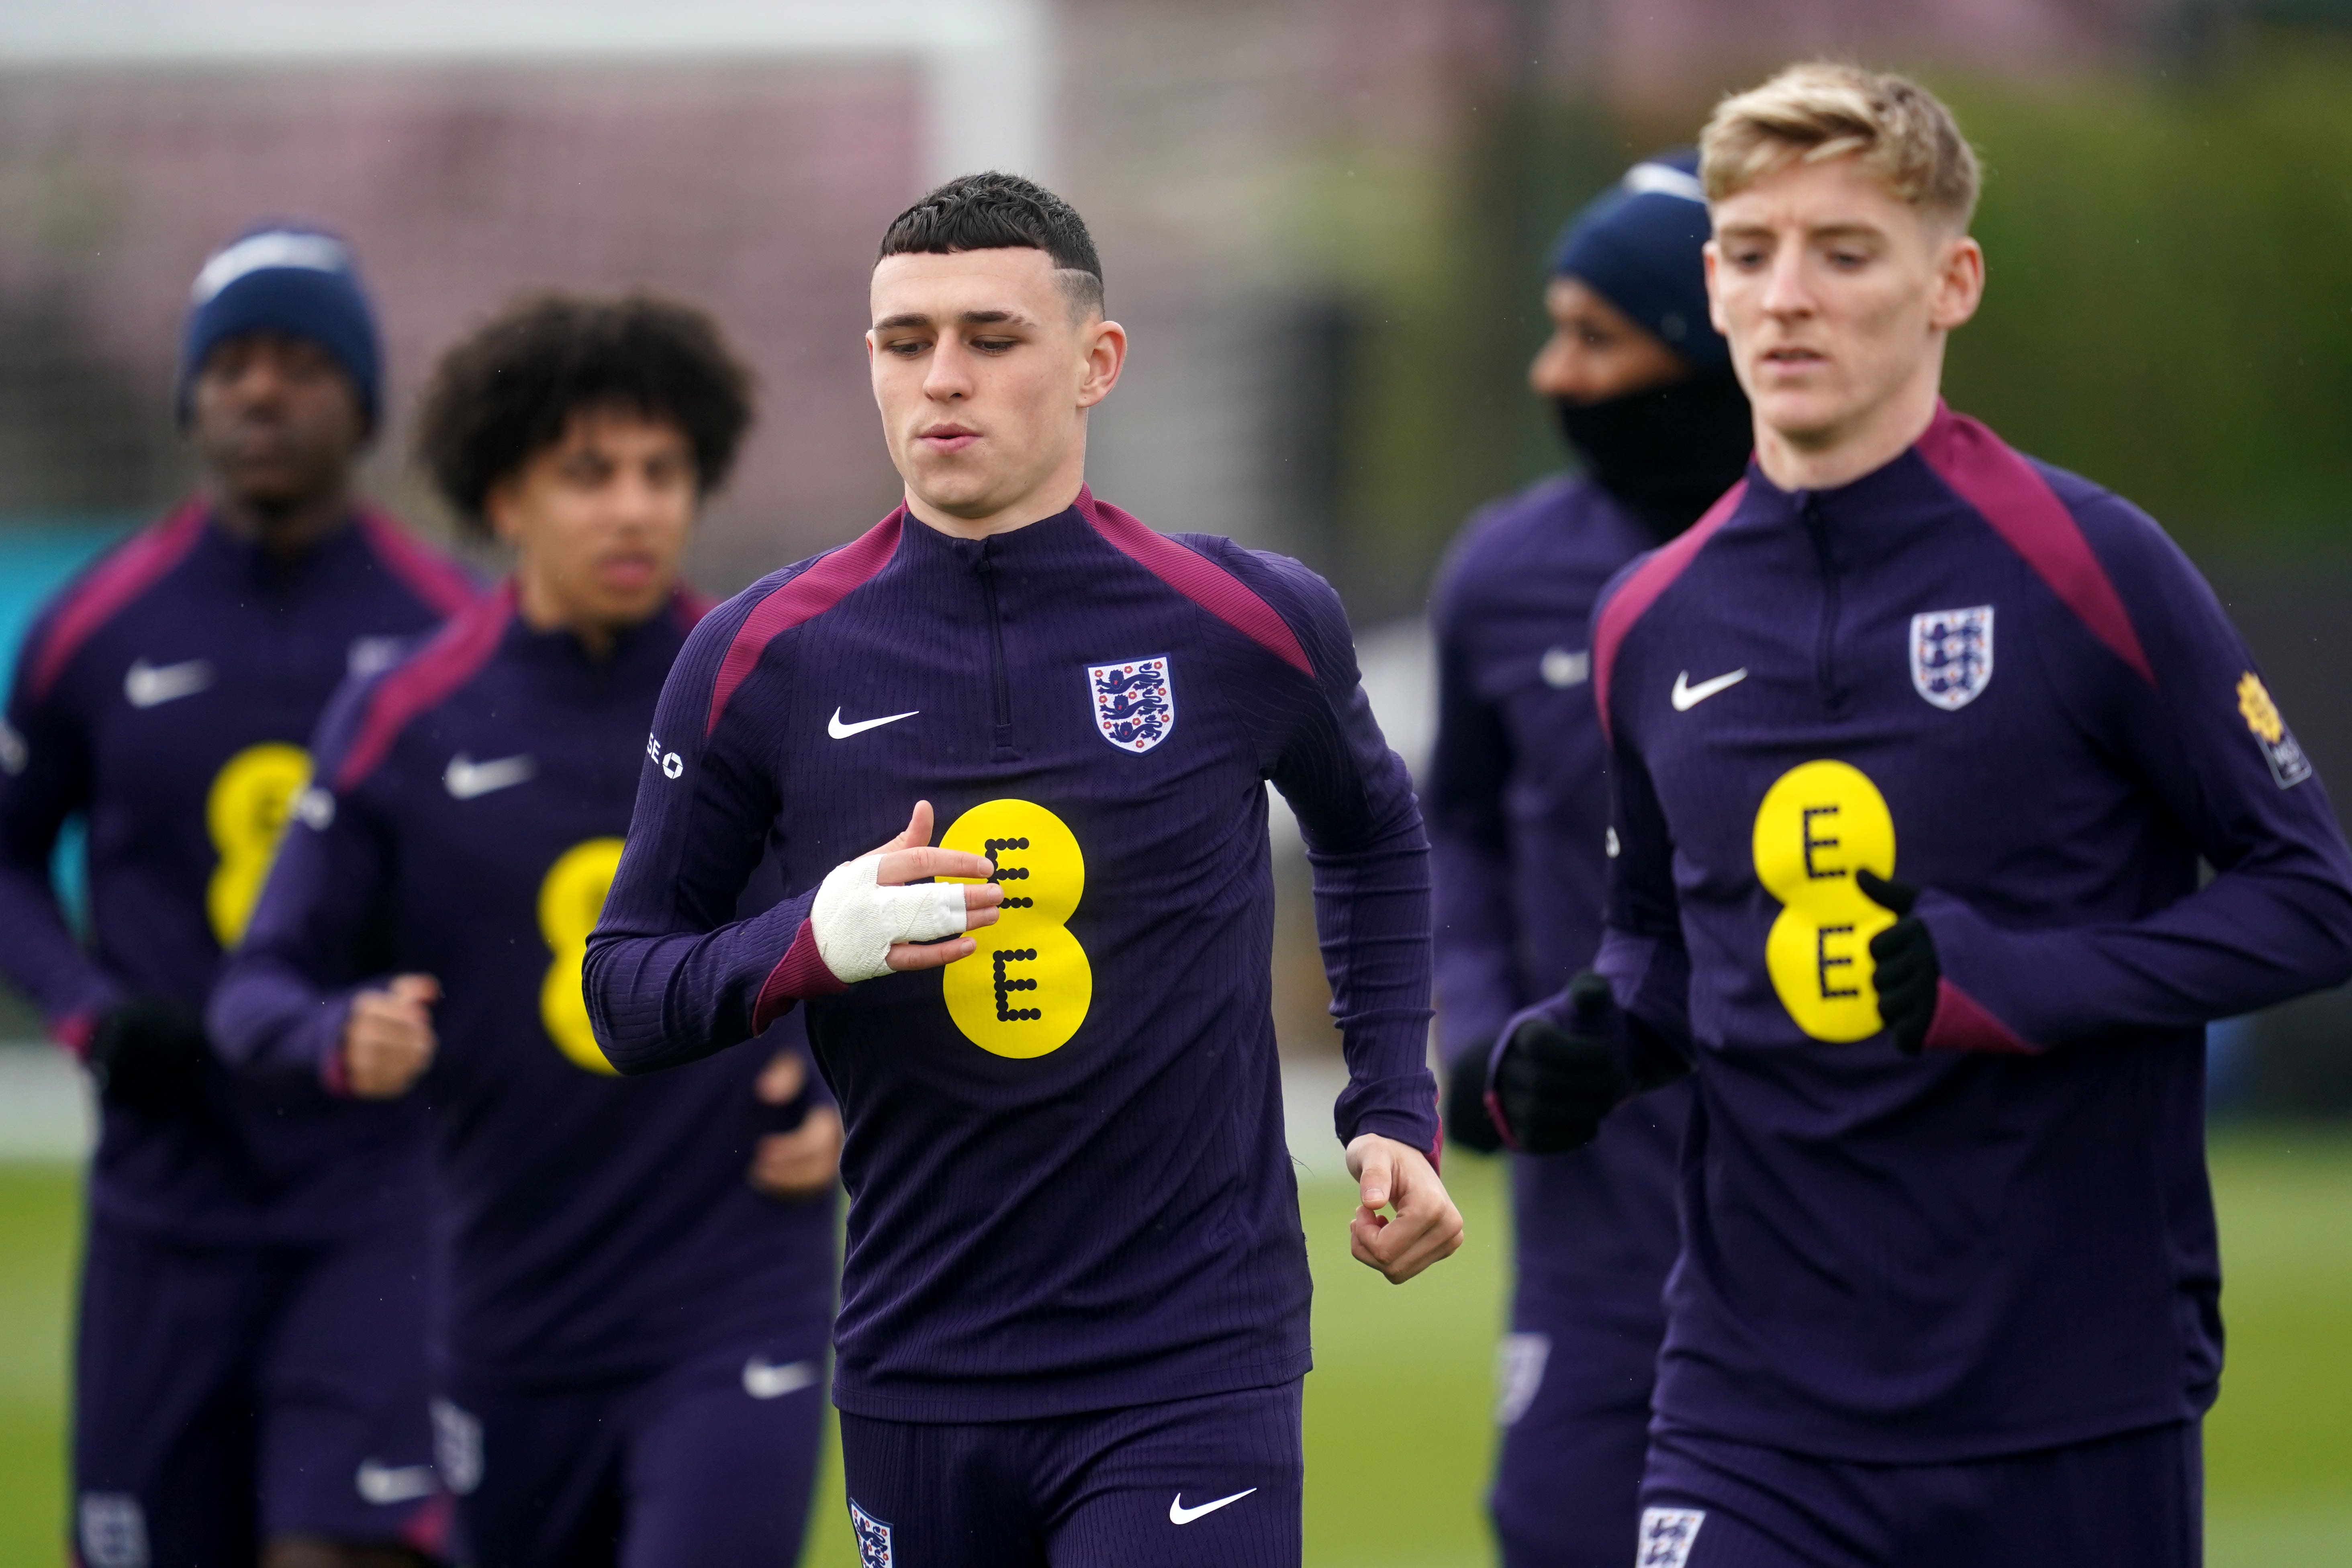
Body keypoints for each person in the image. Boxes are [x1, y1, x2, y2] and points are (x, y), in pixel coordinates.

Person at [1484, 64, 2352, 1568]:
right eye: (1751, 254)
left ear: (1951, 281)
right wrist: (1592, 1048)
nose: (1789, 297)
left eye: (1846, 251)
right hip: (1749, 1405)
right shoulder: (1649, 617)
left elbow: (2310, 893)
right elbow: (1657, 951)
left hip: (2067, 1389)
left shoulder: (2092, 565)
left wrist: (2011, 980)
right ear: (1713, 283)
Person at [583, 172, 1461, 1567]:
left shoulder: (1245, 618)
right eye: (903, 341)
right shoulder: (759, 660)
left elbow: (1372, 833)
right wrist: (812, 937)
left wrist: (1391, 1105)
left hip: (1193, 1356)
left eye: (992, 339)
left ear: (1095, 362)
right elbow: (622, 993)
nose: (943, 379)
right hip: (920, 1362)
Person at [209, 294, 843, 1568]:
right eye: (589, 474)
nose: (635, 509)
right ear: (504, 500)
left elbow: (872, 933)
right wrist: (341, 1034)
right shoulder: (405, 716)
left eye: (664, 473)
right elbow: (254, 990)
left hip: (739, 1293)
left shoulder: (774, 690)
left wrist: (840, 1089)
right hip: (511, 1311)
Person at [0, 229, 475, 1568]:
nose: (262, 393)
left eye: (304, 364)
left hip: (376, 1198)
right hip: (167, 1201)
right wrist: (91, 1013)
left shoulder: (445, 628)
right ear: (192, 398)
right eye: (234, 365)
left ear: (365, 402)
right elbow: (9, 856)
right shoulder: (96, 627)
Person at [1428, 150, 1747, 1568]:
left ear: (1700, 350)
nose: (1559, 376)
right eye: (1551, 330)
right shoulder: (1502, 574)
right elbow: (1459, 825)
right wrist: (1485, 1022)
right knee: (1555, 1529)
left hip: (1833, 1190)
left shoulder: (1861, 560)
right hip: (1595, 1209)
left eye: (1598, 338)